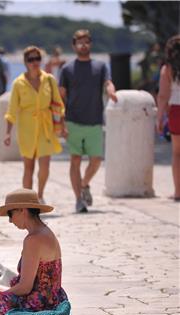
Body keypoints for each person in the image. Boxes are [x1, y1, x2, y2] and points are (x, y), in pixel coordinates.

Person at [59, 29, 118, 213]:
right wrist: (61, 122)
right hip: (73, 121)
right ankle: (78, 200)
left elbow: (108, 83)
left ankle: (84, 184)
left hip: (94, 121)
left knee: (96, 160)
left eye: (86, 42)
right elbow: (60, 97)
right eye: (80, 42)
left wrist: (111, 92)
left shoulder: (100, 66)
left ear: (90, 44)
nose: (83, 45)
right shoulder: (67, 69)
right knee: (75, 160)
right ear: (74, 45)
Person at [4, 46, 65, 203]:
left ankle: (40, 195)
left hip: (46, 127)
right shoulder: (18, 83)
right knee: (28, 167)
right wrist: (7, 133)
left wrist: (62, 126)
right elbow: (12, 110)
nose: (34, 62)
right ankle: (28, 201)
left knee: (45, 166)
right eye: (31, 59)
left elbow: (58, 104)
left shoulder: (49, 80)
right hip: (27, 129)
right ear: (25, 62)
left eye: (37, 59)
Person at [156, 35, 180, 201]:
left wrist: (159, 118)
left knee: (177, 153)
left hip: (176, 111)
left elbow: (163, 95)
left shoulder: (168, 69)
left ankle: (178, 192)